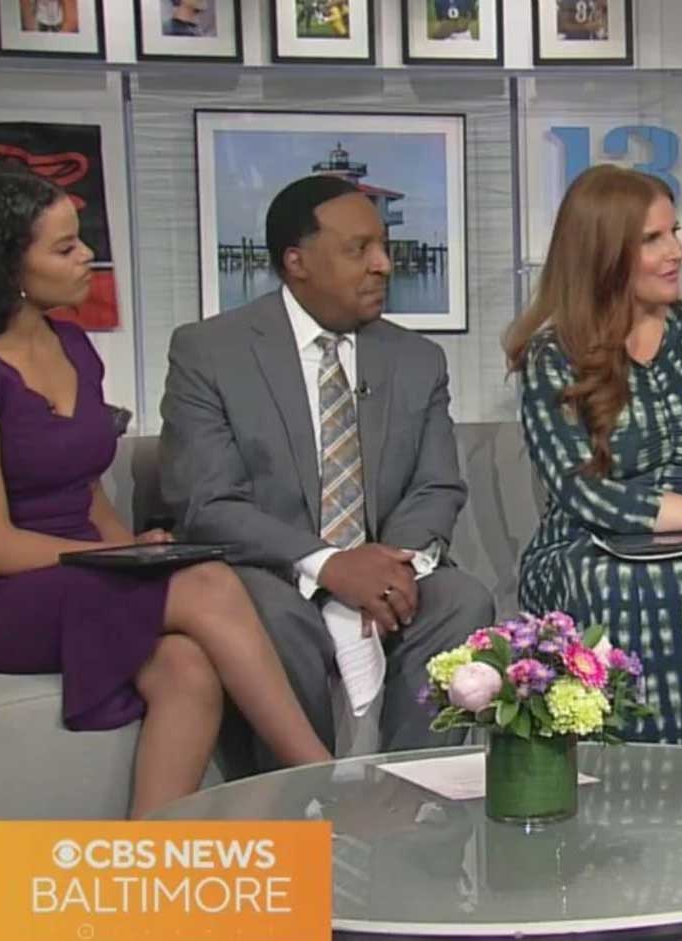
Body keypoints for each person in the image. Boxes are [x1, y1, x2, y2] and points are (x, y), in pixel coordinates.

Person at [0, 167, 330, 819]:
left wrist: (134, 549)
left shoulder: (73, 346)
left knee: (185, 666)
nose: (88, 255)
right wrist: (118, 562)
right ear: (6, 267)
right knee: (208, 583)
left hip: (76, 575)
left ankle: (148, 863)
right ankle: (320, 779)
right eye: (65, 248)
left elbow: (83, 489)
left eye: (81, 239)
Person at [160, 175, 493, 775]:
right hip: (273, 570)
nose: (383, 264)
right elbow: (206, 502)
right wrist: (330, 564)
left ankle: (409, 796)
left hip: (386, 566)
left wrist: (390, 567)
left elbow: (437, 484)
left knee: (462, 599)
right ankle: (305, 798)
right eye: (358, 249)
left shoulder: (417, 359)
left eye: (383, 246)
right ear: (298, 262)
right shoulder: (210, 351)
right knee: (275, 615)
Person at [504, 165, 682, 748]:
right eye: (652, 240)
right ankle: (627, 786)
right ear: (603, 253)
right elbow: (588, 494)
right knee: (613, 580)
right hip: (589, 545)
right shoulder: (554, 358)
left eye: (675, 232)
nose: (676, 252)